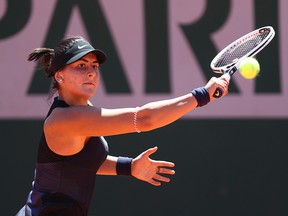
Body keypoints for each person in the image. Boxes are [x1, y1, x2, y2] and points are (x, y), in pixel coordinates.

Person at [17, 36, 229, 216]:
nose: (91, 72)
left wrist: (129, 167)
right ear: (59, 76)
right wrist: (202, 95)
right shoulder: (67, 120)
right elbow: (145, 119)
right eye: (81, 66)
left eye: (94, 66)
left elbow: (76, 165)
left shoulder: (81, 110)